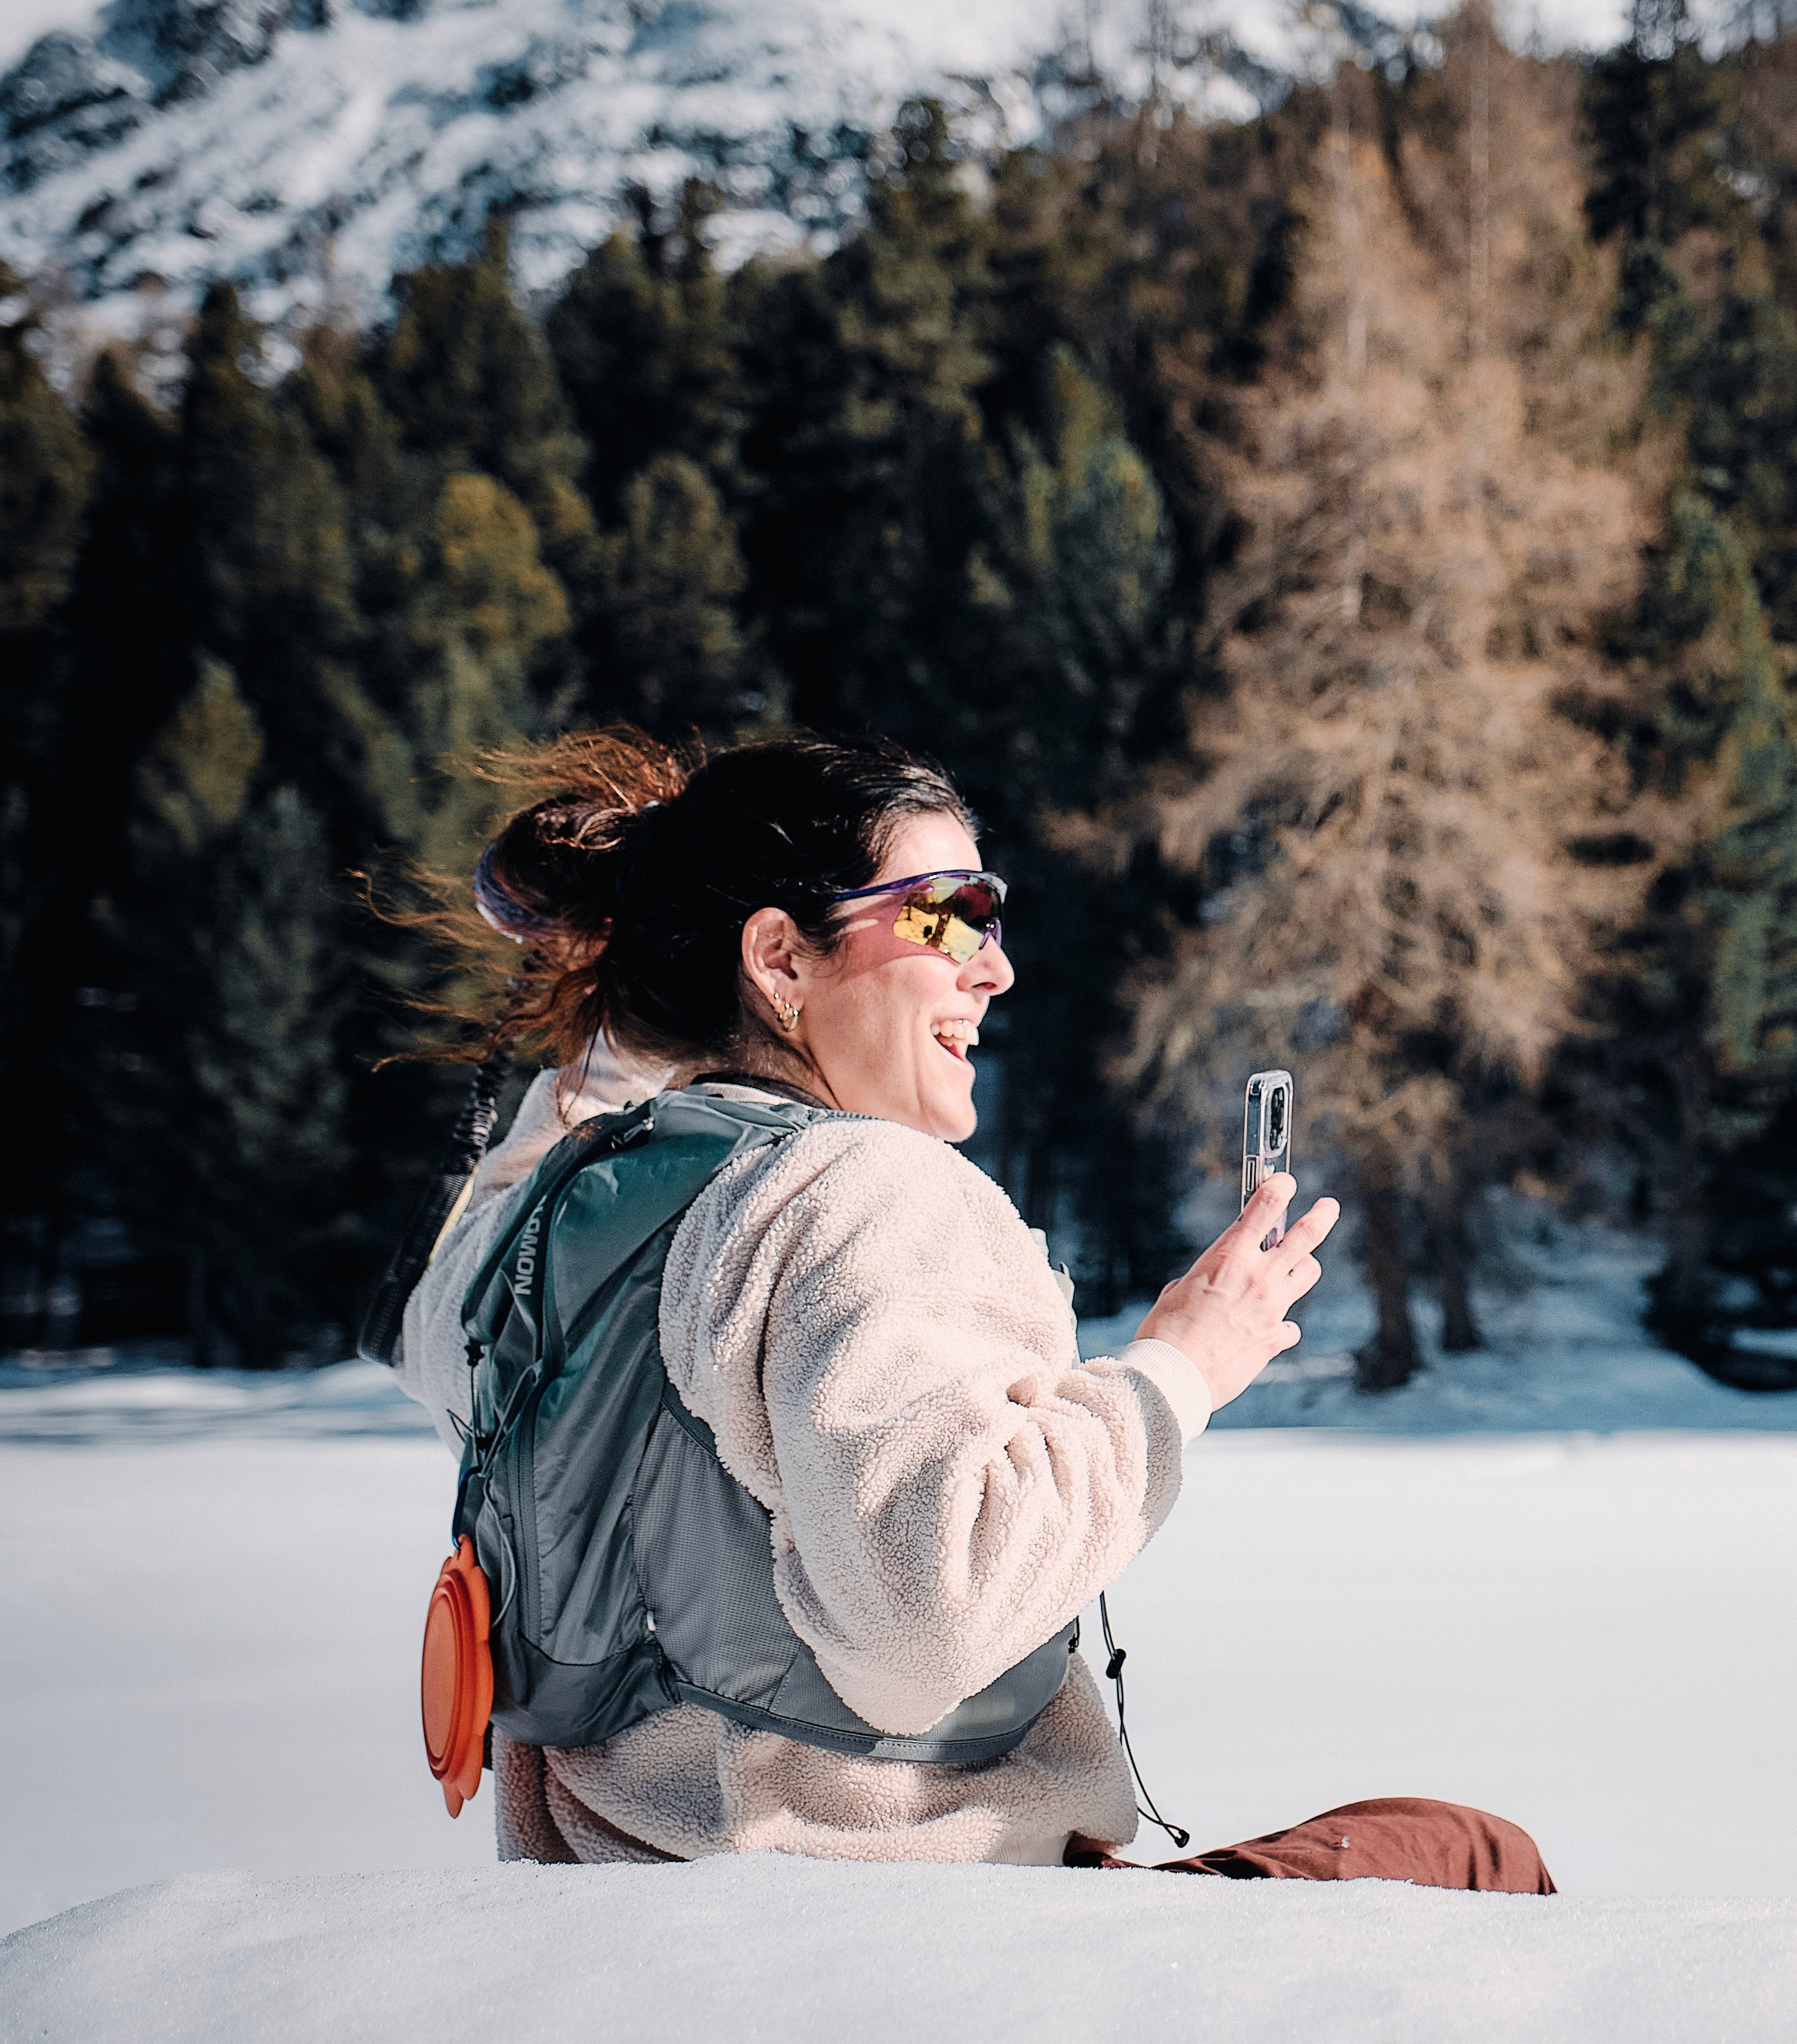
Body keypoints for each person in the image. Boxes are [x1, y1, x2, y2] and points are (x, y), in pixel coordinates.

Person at [394, 730, 1552, 1892]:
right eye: (950, 915)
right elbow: (932, 1611)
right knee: (1472, 1855)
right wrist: (1181, 1368)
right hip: (910, 1933)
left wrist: (649, 978)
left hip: (619, 1924)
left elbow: (441, 1285)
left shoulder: (549, 1224)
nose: (993, 967)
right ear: (781, 957)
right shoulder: (859, 1190)